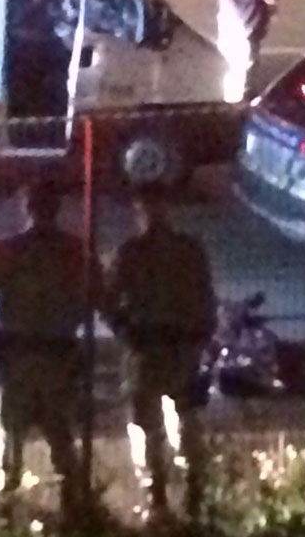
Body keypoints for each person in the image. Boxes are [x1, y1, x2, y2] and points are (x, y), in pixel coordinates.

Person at [0, 180, 101, 522]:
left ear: (25, 209)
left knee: (9, 432)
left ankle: (3, 508)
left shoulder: (10, 249)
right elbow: (97, 296)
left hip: (17, 359)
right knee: (60, 432)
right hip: (58, 357)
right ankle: (74, 502)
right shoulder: (75, 251)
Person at [105, 183, 216, 525]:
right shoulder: (178, 250)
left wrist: (125, 330)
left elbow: (108, 301)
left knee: (164, 424)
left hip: (161, 348)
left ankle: (171, 495)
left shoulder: (138, 251)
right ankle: (175, 495)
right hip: (163, 347)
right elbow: (110, 302)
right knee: (162, 423)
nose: (149, 214)